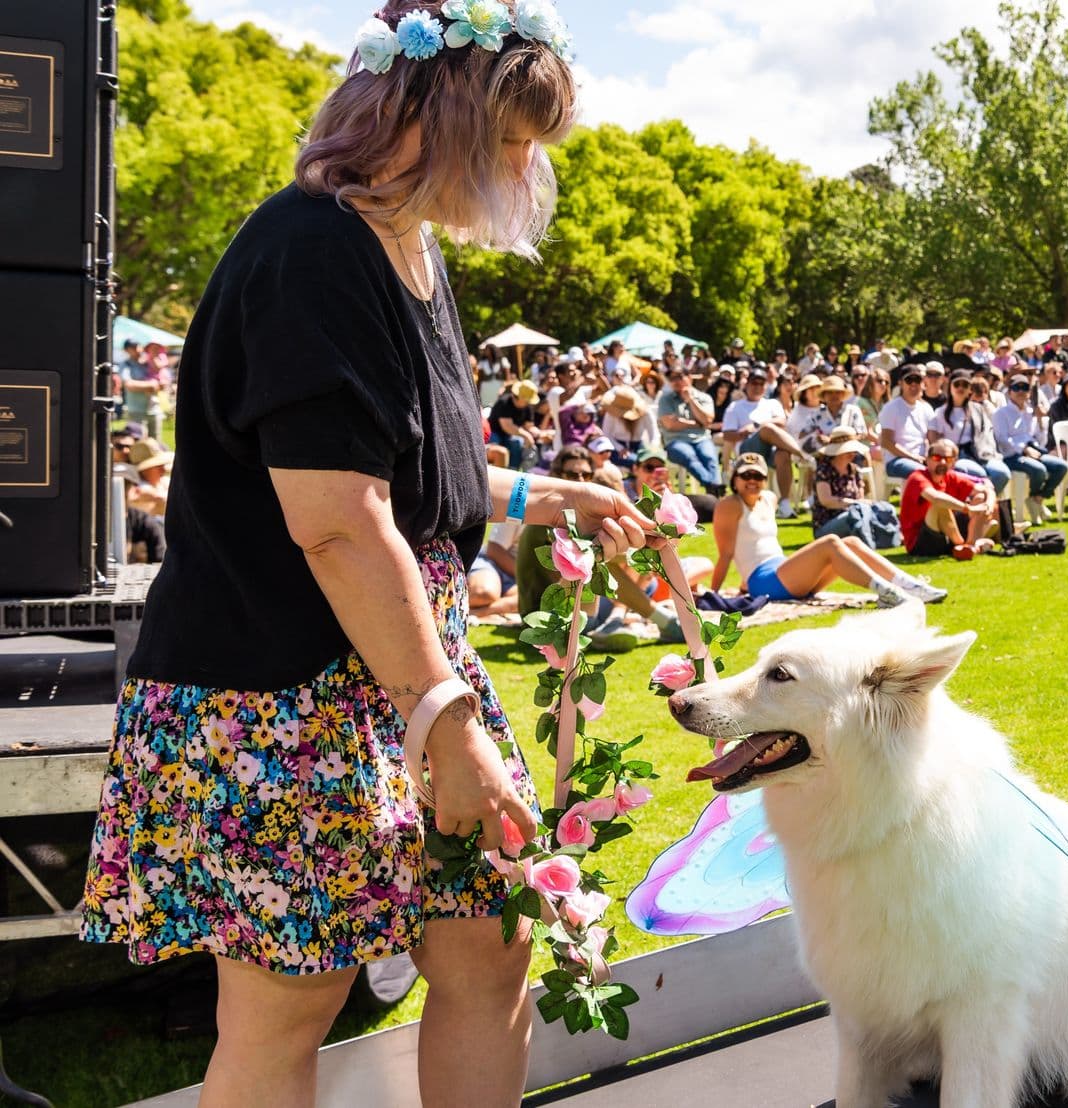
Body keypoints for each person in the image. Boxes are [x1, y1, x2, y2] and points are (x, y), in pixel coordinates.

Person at [75, 13, 657, 1105]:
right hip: (289, 690)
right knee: (290, 1002)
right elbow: (337, 519)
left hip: (400, 659)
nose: (528, 172)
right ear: (439, 120)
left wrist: (544, 490)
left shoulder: (407, 243)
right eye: (517, 140)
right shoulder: (311, 251)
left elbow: (402, 464)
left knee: (490, 947)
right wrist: (441, 718)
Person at [710, 452, 939, 603]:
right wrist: (715, 594)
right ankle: (889, 593)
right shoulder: (729, 505)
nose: (752, 480)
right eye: (746, 475)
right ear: (735, 480)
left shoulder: (769, 498)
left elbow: (758, 544)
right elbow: (727, 554)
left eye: (758, 475)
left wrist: (741, 587)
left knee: (851, 543)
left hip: (784, 572)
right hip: (765, 580)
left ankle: (911, 585)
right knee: (830, 542)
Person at [721, 367, 806, 518]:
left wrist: (756, 426)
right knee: (767, 429)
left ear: (766, 386)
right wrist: (744, 432)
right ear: (747, 385)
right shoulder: (735, 407)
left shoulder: (772, 404)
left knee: (783, 454)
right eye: (754, 383)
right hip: (748, 449)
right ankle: (803, 455)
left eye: (761, 383)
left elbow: (782, 421)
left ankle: (785, 504)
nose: (757, 387)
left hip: (772, 448)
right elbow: (727, 435)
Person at [900, 440, 996, 560]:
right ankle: (964, 545)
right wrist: (967, 508)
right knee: (939, 505)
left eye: (948, 459)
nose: (942, 462)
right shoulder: (917, 478)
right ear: (928, 459)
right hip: (920, 543)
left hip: (945, 534)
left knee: (980, 498)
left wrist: (989, 506)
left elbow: (986, 490)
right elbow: (935, 497)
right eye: (937, 457)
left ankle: (970, 545)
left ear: (953, 462)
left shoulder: (950, 477)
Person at [994, 375, 1067, 520]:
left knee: (1061, 466)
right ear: (1010, 392)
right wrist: (1023, 449)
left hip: (1033, 451)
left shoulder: (1030, 412)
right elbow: (1002, 439)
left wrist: (1039, 420)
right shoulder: (1001, 413)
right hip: (1011, 455)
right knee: (1039, 470)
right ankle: (1033, 502)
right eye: (1016, 388)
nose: (1021, 391)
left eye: (1025, 388)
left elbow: (1036, 438)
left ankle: (1036, 499)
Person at [657, 364, 721, 494]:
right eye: (672, 379)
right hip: (675, 441)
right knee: (689, 456)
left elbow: (707, 420)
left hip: (701, 439)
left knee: (710, 458)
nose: (675, 381)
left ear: (689, 377)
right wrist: (696, 424)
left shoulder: (704, 397)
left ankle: (713, 492)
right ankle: (713, 487)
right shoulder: (665, 399)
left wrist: (691, 400)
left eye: (679, 377)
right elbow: (670, 424)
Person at [878, 364, 938, 480]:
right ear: (900, 383)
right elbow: (886, 442)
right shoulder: (891, 407)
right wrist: (913, 457)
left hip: (922, 460)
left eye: (917, 379)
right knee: (924, 474)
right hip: (895, 461)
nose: (914, 384)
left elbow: (933, 440)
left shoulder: (926, 409)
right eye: (909, 380)